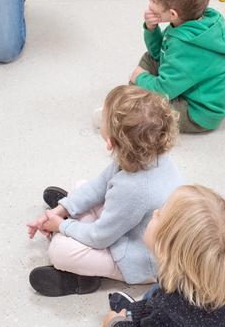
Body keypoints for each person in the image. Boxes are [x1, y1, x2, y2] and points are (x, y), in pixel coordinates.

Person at [26, 85, 182, 297]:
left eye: (104, 119)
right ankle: (72, 210)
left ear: (110, 143)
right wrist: (62, 209)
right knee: (84, 186)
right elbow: (102, 183)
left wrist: (62, 225)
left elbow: (100, 237)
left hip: (138, 258)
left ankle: (84, 277)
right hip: (131, 224)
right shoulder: (149, 151)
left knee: (60, 252)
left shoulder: (135, 188)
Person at [101, 185, 225, 326]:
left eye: (160, 215)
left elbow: (163, 311)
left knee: (154, 296)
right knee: (157, 291)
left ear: (165, 249)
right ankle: (136, 311)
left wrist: (115, 323)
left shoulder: (166, 315)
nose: (155, 211)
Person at [130, 0, 225, 133]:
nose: (149, 2)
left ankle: (126, 117)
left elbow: (163, 90)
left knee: (148, 106)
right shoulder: (195, 20)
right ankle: (138, 94)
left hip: (199, 113)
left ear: (172, 14)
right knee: (149, 58)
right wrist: (151, 29)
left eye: (154, 0)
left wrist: (140, 78)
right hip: (188, 83)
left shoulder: (185, 46)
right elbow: (159, 52)